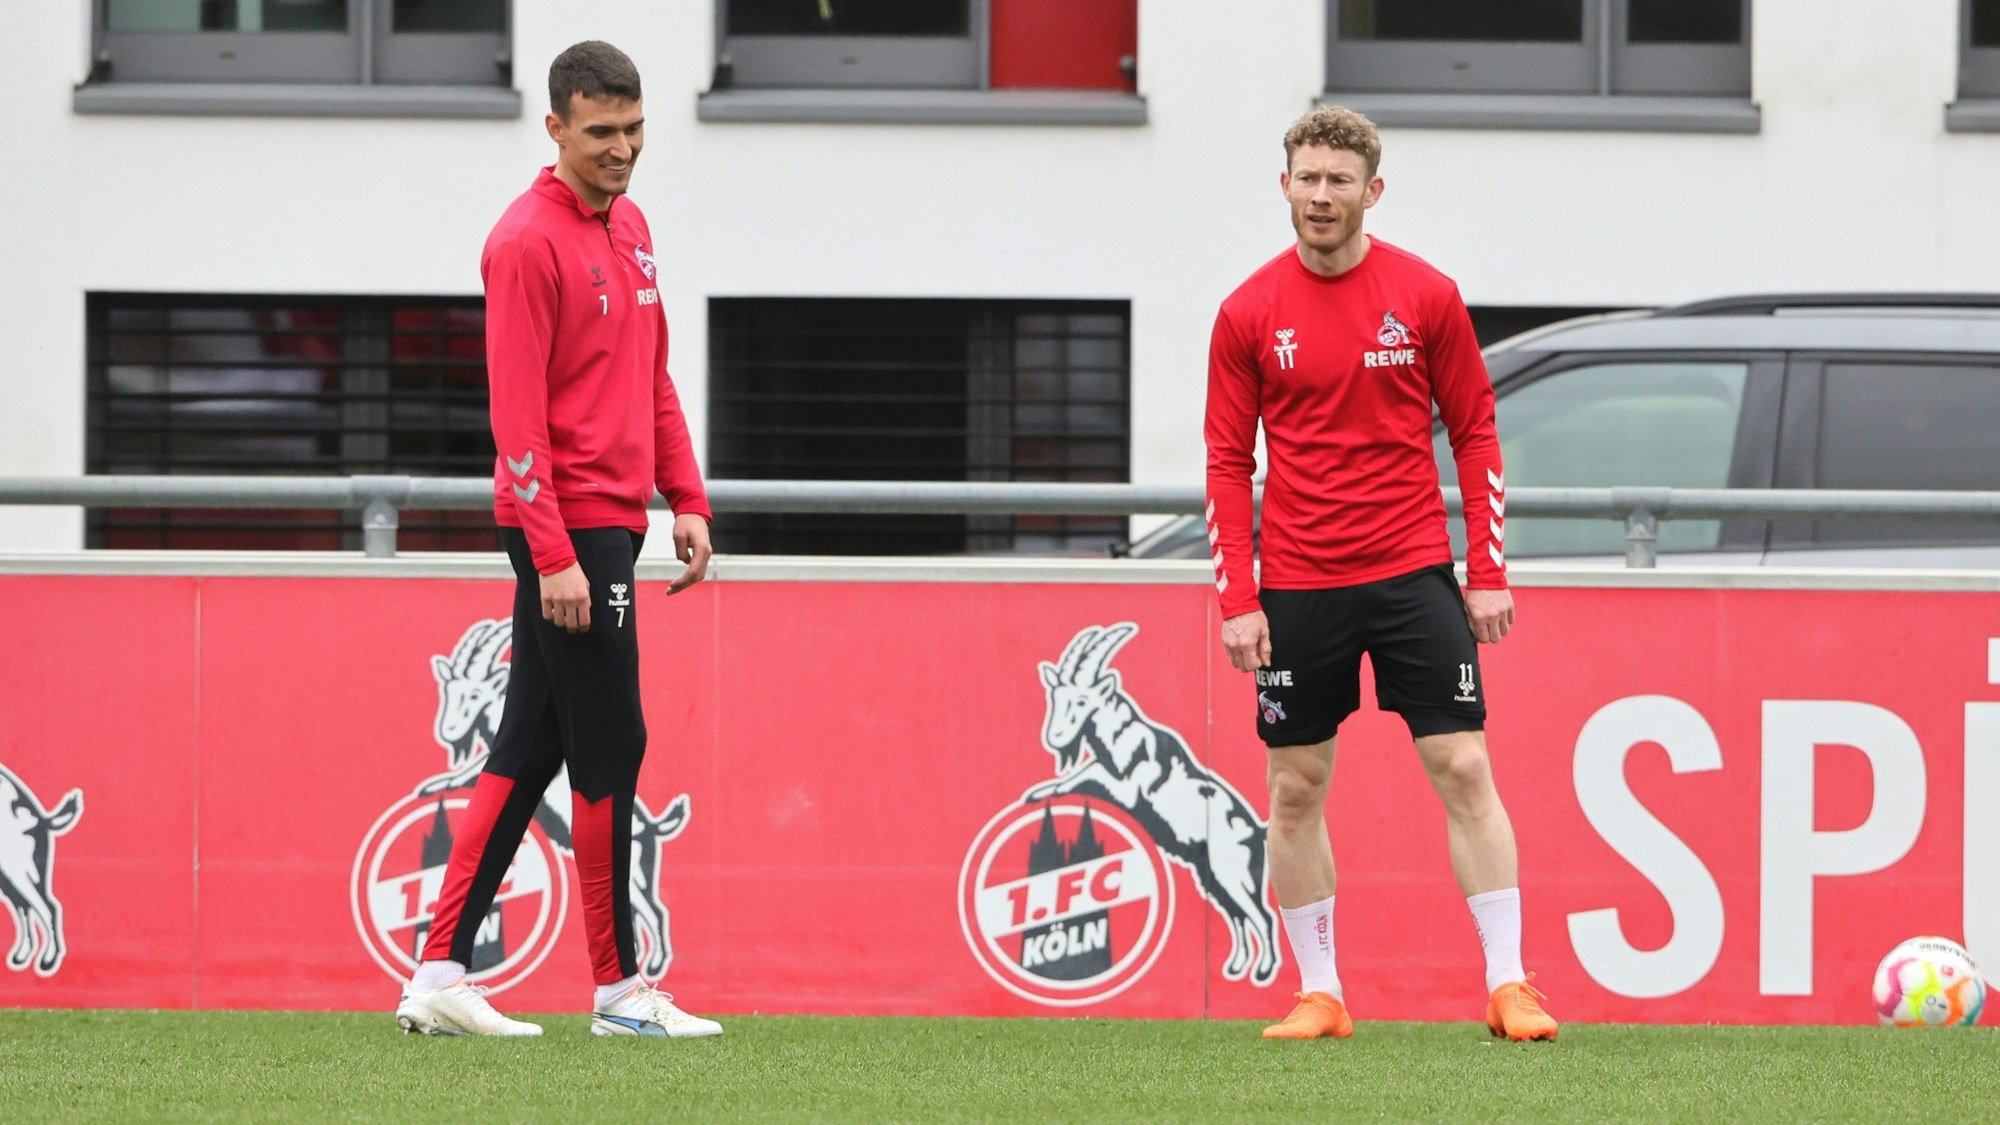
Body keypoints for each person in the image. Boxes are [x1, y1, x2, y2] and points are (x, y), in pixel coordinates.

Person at [1204, 106, 1557, 1043]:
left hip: (1411, 571)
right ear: (1285, 185)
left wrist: (1487, 570)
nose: (1321, 195)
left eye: (1339, 180)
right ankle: (1320, 992)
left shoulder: (1427, 295)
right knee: (1295, 786)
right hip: (1299, 582)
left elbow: (1476, 430)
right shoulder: (1247, 312)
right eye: (1307, 178)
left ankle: (1510, 983)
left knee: (1464, 765)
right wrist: (1238, 597)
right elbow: (1227, 462)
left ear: (1373, 190)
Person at [393, 41, 721, 1040]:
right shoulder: (524, 243)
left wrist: (686, 495)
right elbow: (516, 419)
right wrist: (552, 555)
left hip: (610, 520)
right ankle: (619, 991)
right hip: (568, 529)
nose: (622, 149)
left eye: (634, 130)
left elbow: (651, 375)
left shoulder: (632, 226)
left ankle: (439, 969)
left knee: (530, 744)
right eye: (601, 133)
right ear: (555, 129)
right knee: (612, 742)